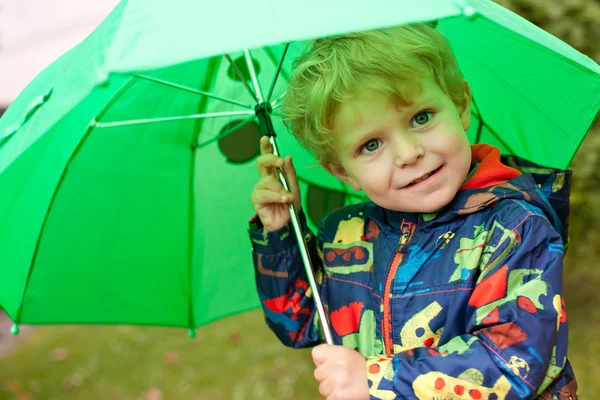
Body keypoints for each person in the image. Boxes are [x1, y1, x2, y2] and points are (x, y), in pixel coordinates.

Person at [248, 24, 578, 399]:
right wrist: (279, 232)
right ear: (341, 171)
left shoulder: (513, 227)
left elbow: (514, 361)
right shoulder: (350, 234)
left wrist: (374, 380)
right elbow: (298, 322)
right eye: (371, 144)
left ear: (461, 105)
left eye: (421, 118)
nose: (408, 154)